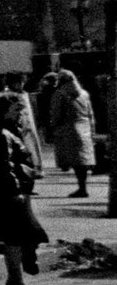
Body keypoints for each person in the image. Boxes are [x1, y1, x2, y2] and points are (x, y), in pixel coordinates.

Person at [0, 86, 49, 285]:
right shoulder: (3, 135)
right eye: (16, 110)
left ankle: (21, 271)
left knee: (25, 234)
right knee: (16, 237)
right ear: (5, 112)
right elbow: (4, 166)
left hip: (18, 193)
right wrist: (15, 191)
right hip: (12, 195)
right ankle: (16, 278)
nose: (21, 115)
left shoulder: (11, 132)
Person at [42, 66, 96, 198]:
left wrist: (53, 128)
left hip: (69, 128)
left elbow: (56, 114)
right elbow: (90, 113)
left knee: (76, 160)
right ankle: (83, 187)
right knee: (83, 160)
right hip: (85, 127)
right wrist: (92, 129)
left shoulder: (60, 94)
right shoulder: (84, 94)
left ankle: (81, 188)